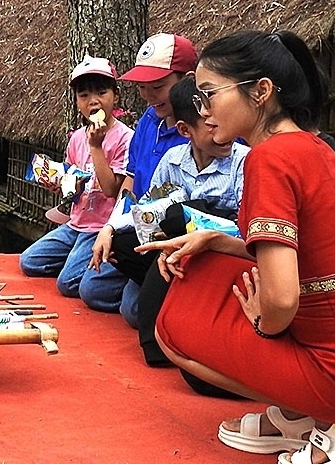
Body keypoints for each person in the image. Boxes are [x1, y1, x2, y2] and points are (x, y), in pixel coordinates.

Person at [137, 31, 335, 464]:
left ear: (261, 92)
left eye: (209, 94)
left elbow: (282, 299)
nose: (201, 109)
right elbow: (315, 254)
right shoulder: (316, 147)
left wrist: (263, 322)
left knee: (171, 328)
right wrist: (218, 240)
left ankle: (332, 418)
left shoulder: (266, 159)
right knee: (210, 262)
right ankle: (300, 417)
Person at [92, 76, 248, 331]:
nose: (224, 131)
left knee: (139, 311)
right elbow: (147, 206)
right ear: (186, 130)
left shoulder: (243, 162)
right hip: (172, 253)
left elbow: (244, 228)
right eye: (211, 125)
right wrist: (109, 228)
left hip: (219, 257)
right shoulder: (172, 159)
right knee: (120, 257)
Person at [77, 33, 196, 315]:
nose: (147, 95)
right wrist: (111, 225)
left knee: (133, 310)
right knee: (91, 289)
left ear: (188, 81)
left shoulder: (200, 133)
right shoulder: (148, 121)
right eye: (143, 87)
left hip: (171, 235)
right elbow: (129, 182)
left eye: (157, 86)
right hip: (136, 229)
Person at [18, 55, 133, 298]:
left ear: (116, 96)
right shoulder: (77, 138)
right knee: (29, 262)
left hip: (101, 227)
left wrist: (97, 147)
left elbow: (112, 189)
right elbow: (73, 181)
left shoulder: (125, 138)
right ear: (77, 102)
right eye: (84, 96)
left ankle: (102, 266)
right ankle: (78, 260)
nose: (93, 101)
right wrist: (61, 185)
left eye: (101, 93)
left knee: (67, 284)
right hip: (76, 224)